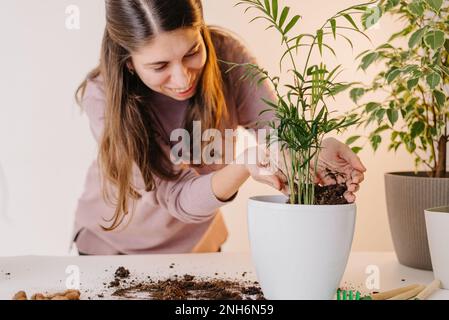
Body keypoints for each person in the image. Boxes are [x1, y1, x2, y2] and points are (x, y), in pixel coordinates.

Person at [72, 0, 366, 255]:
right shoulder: (102, 96)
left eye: (192, 52)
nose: (182, 79)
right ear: (129, 63)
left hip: (200, 245)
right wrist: (245, 164)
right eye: (160, 66)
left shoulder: (227, 55)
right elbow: (175, 195)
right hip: (113, 250)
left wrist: (313, 151)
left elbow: (276, 130)